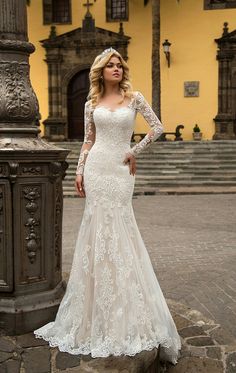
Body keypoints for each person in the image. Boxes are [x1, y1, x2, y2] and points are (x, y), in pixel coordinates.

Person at [34, 48, 181, 364]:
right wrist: (79, 170)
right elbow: (88, 140)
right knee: (96, 232)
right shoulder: (90, 104)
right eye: (110, 65)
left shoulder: (135, 97)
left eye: (119, 65)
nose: (116, 68)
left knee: (121, 229)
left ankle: (126, 304)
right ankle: (93, 310)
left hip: (119, 170)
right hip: (97, 169)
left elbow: (157, 128)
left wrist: (134, 151)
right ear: (100, 71)